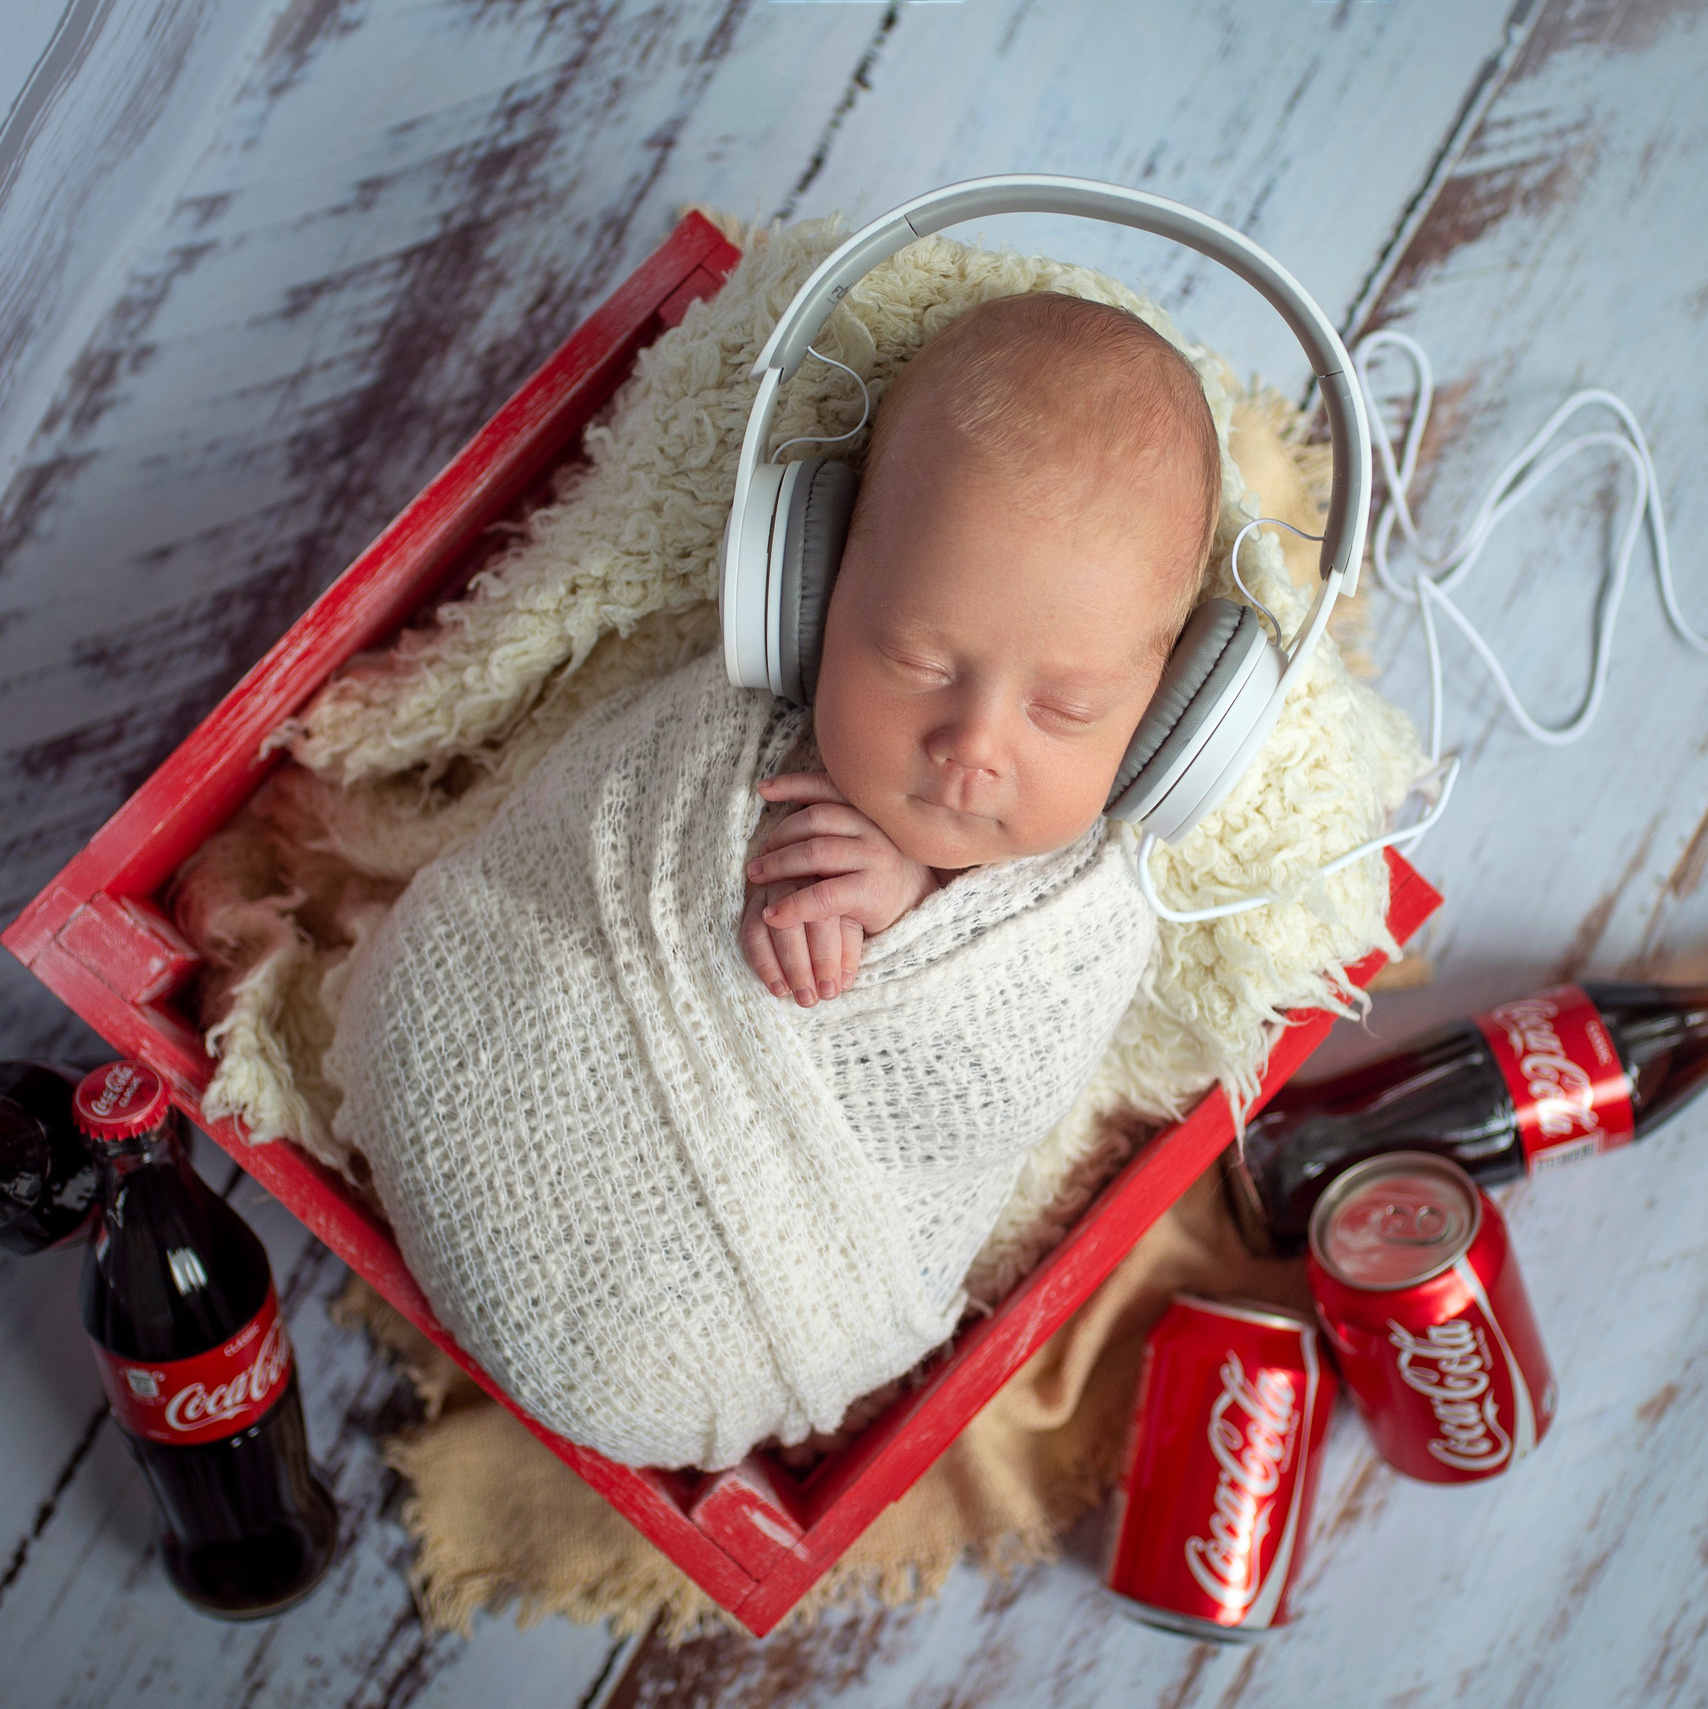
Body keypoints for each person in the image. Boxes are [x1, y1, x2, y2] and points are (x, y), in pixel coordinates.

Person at [741, 291, 1219, 1007]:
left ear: (1160, 719)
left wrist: (911, 907)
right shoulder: (738, 743)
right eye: (920, 663)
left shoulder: (1088, 921)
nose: (973, 745)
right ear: (818, 586)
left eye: (1064, 710)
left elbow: (1014, 1050)